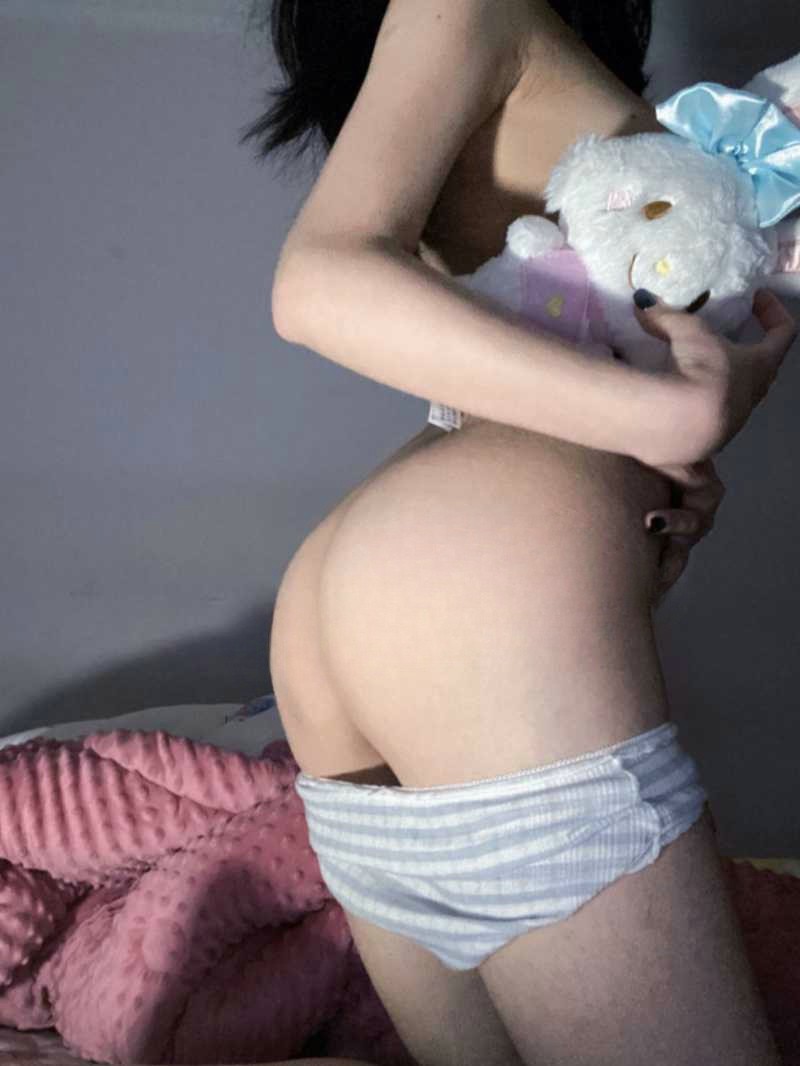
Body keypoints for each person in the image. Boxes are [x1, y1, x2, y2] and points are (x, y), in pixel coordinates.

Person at [240, 1, 797, 1064]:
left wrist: (655, 459)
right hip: (480, 556)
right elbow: (315, 283)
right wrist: (671, 420)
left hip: (383, 582)